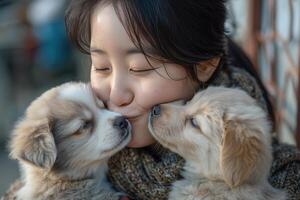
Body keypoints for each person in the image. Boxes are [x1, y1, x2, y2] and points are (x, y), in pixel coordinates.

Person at [2, 1, 299, 200]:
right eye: (101, 67)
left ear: (205, 65)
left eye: (140, 69)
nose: (116, 96)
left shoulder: (280, 181)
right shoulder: (62, 175)